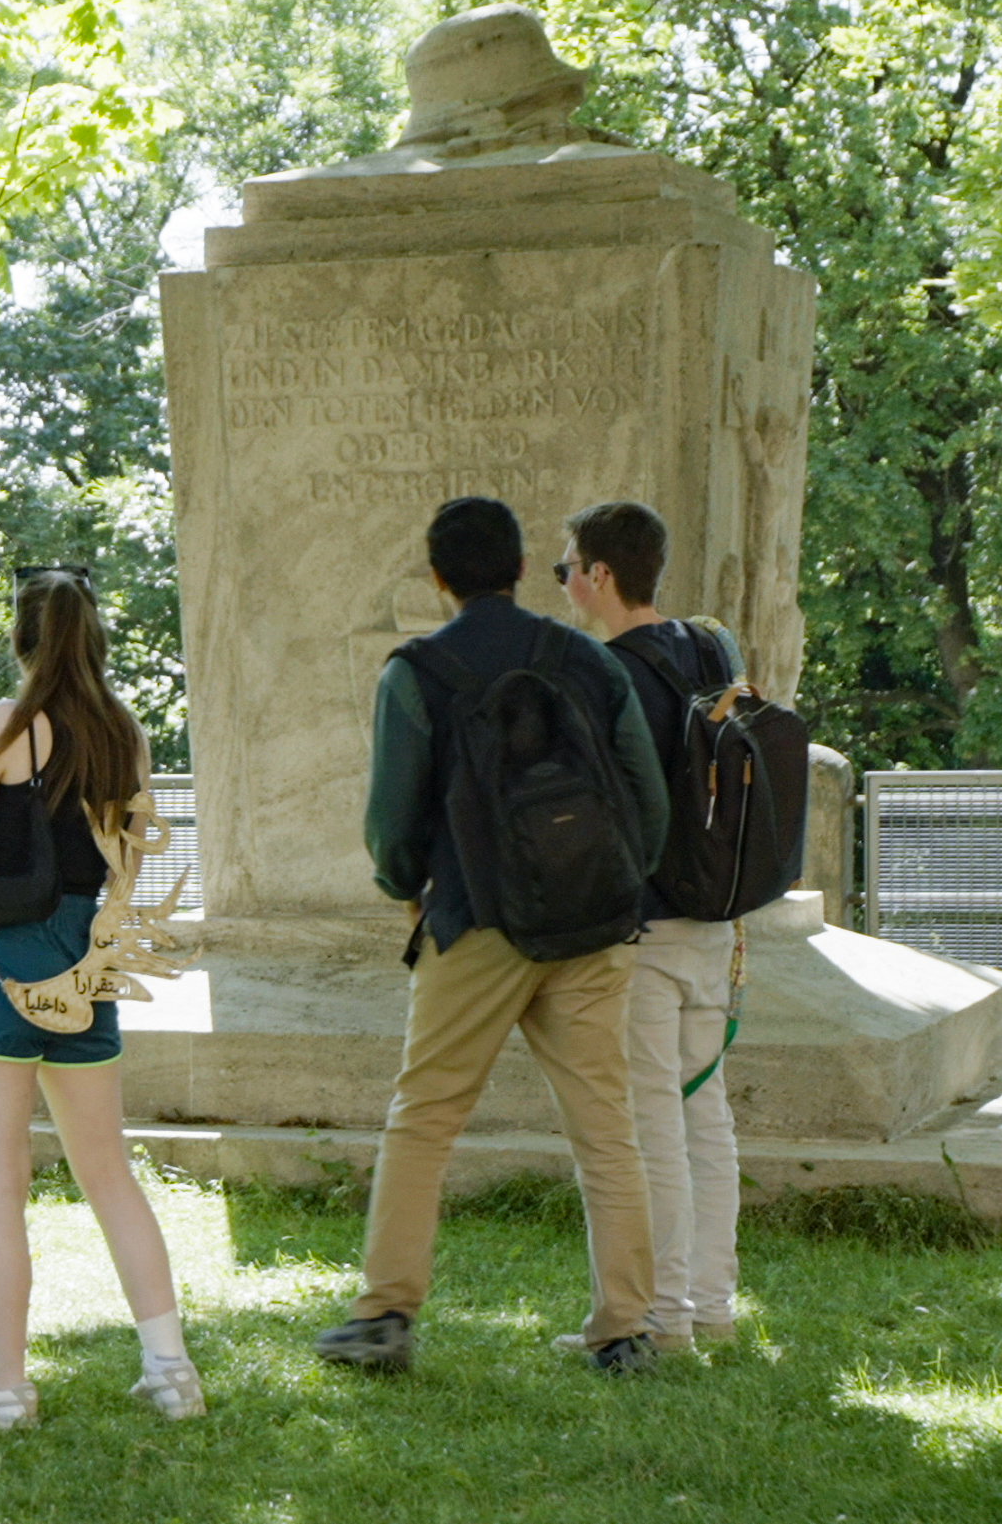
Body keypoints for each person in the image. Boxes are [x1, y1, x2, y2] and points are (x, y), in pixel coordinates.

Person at [315, 496, 671, 1376]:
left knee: (425, 1117)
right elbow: (645, 800)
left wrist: (407, 891)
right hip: (590, 928)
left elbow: (391, 823)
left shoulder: (416, 672)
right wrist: (609, 885)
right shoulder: (590, 662)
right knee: (605, 1127)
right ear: (519, 569)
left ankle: (385, 1315)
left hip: (473, 924)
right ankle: (626, 1327)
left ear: (439, 578)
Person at [0, 567, 201, 1430]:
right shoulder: (124, 731)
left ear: (22, 637)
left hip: (0, 961)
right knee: (108, 1170)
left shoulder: (8, 723)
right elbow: (133, 858)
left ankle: (5, 1385)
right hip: (91, 961)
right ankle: (171, 1369)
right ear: (95, 636)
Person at [554, 501, 746, 1353]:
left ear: (599, 575)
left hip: (646, 929)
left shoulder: (606, 674)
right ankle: (711, 1305)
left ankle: (662, 1318)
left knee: (650, 1129)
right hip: (717, 918)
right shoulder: (711, 647)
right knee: (707, 1120)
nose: (562, 583)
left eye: (565, 568)